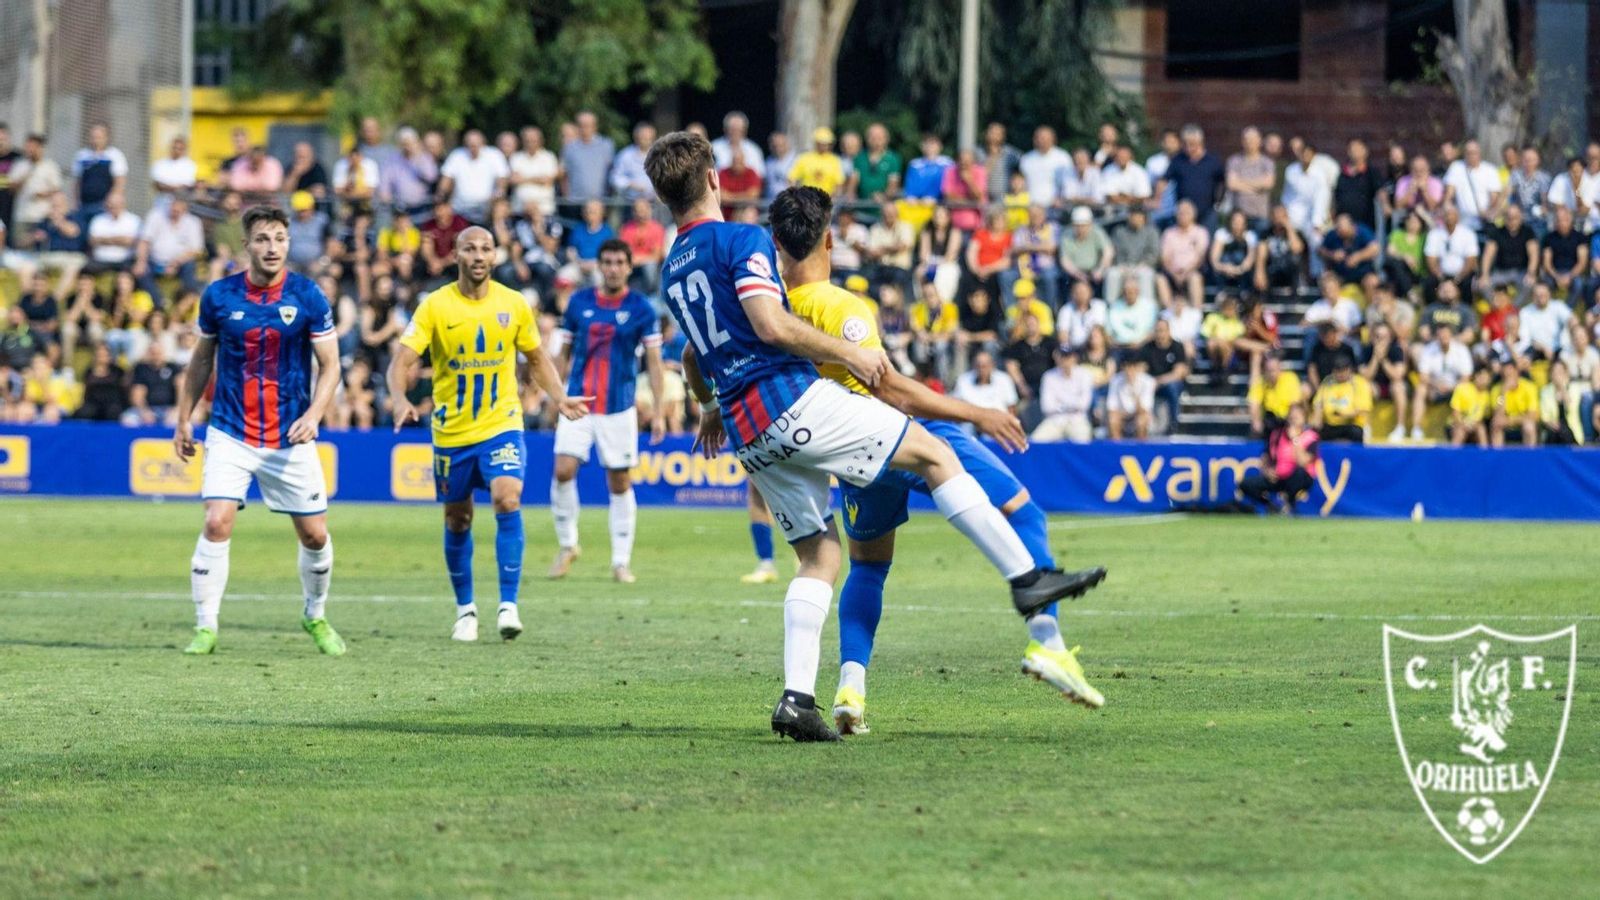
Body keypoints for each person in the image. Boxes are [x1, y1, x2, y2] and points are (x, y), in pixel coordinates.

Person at [644, 135, 1103, 741]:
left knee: (820, 556)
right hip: (788, 400)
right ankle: (1027, 581)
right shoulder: (741, 239)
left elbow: (690, 352)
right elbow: (771, 325)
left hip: (746, 431)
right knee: (934, 453)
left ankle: (797, 700)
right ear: (712, 179)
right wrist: (850, 354)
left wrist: (707, 408)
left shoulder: (672, 268)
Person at [768, 189, 1100, 731]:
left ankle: (850, 688)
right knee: (1024, 511)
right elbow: (891, 389)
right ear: (829, 240)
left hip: (849, 458)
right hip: (900, 434)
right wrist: (977, 412)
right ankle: (1049, 644)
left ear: (777, 243)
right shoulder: (841, 307)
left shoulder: (773, 312)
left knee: (869, 566)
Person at [388, 224, 586, 641]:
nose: (478, 256)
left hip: (501, 423)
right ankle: (465, 610)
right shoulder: (435, 306)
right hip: (452, 432)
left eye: (486, 249)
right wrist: (400, 398)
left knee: (507, 497)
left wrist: (560, 398)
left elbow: (537, 359)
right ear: (456, 255)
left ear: (495, 256)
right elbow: (401, 362)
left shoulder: (513, 304)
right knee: (458, 518)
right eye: (469, 249)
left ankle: (508, 605)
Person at [170, 206, 345, 657]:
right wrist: (184, 417)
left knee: (315, 536)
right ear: (247, 245)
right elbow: (201, 360)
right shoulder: (219, 296)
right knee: (216, 521)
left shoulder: (307, 295)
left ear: (289, 243)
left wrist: (315, 415)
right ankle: (205, 627)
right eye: (263, 239)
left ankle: (315, 614)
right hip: (231, 430)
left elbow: (331, 365)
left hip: (290, 435)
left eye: (280, 239)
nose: (272, 247)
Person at [548, 240, 667, 584]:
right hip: (577, 403)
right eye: (608, 262)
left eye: (619, 262)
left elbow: (655, 364)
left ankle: (620, 562)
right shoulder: (579, 303)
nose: (613, 268)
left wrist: (659, 411)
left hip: (618, 407)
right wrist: (555, 396)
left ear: (629, 267)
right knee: (563, 470)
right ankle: (568, 545)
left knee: (619, 481)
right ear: (599, 266)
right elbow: (562, 353)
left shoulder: (642, 308)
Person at [1239, 404, 1319, 514]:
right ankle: (1271, 506)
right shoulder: (1277, 434)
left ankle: (1289, 503)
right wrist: (1267, 471)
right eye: (1292, 416)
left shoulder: (1310, 436)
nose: (1294, 419)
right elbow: (1266, 457)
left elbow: (1302, 462)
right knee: (1246, 484)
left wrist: (1295, 439)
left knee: (1299, 474)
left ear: (1304, 418)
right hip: (1278, 477)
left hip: (1297, 477)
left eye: (1297, 416)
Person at [1410, 323, 1474, 440]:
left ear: (1451, 336)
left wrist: (1451, 388)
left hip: (1455, 389)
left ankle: (1464, 426)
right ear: (1436, 336)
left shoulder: (1461, 350)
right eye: (1441, 335)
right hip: (1434, 388)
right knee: (1420, 389)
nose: (1443, 337)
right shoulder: (1428, 350)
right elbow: (1423, 376)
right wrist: (1436, 386)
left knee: (1466, 389)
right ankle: (1416, 429)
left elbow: (1466, 377)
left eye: (1446, 335)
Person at [1033, 345, 1094, 442]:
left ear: (1074, 358)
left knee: (1082, 442)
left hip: (1077, 420)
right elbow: (1047, 407)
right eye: (1062, 357)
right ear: (1057, 358)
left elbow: (1084, 404)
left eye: (1068, 357)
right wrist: (1073, 404)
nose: (1065, 360)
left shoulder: (1085, 374)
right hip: (1055, 420)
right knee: (1036, 441)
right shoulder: (1048, 376)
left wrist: (1060, 405)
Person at [1308, 355, 1371, 442]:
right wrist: (1317, 416)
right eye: (1337, 371)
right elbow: (1318, 403)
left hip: (1351, 424)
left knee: (1356, 432)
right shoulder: (1328, 381)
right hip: (1330, 425)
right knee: (1313, 431)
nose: (1340, 374)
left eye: (1343, 370)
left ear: (1349, 369)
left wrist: (1343, 414)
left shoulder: (1359, 383)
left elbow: (1362, 410)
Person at [1489, 359, 1538, 447]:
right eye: (1505, 375)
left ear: (1517, 373)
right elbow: (1497, 415)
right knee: (1496, 424)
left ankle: (1529, 454)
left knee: (1529, 426)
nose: (1508, 377)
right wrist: (1503, 392)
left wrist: (1510, 421)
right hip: (1505, 423)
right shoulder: (1496, 390)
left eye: (1510, 374)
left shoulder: (1529, 387)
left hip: (1521, 421)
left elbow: (1532, 415)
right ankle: (1497, 455)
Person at [1106, 353, 1154, 439]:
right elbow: (1112, 408)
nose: (1130, 370)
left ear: (1138, 367)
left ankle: (1141, 446)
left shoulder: (1148, 382)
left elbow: (1144, 410)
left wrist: (1133, 390)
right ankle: (1117, 446)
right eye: (1127, 367)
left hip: (1138, 415)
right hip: (1122, 416)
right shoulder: (1115, 380)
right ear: (1123, 367)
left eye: (1133, 367)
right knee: (1113, 419)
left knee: (1142, 420)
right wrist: (1125, 415)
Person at [1449, 365, 1492, 446]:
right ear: (1476, 376)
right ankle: (1453, 452)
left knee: (1481, 429)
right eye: (1482, 377)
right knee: (1460, 431)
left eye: (1486, 378)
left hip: (1475, 425)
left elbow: (1483, 416)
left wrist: (1473, 424)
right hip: (1458, 423)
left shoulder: (1487, 395)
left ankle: (1484, 453)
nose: (1484, 380)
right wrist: (1464, 424)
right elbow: (1455, 413)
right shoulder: (1462, 388)